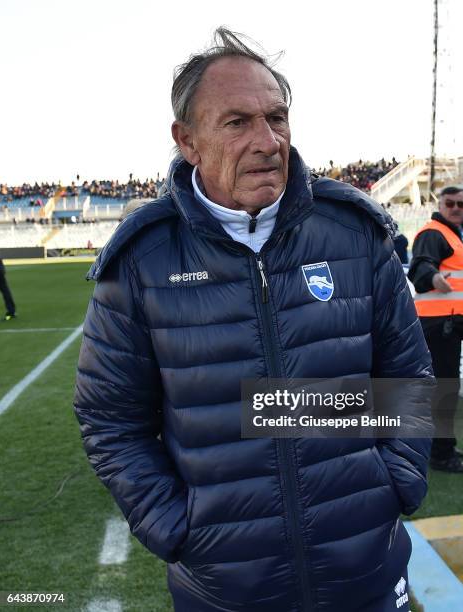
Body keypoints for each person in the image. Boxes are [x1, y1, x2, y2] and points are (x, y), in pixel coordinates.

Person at [74, 28, 432, 612]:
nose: (268, 141)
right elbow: (109, 417)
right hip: (225, 589)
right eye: (237, 122)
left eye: (277, 117)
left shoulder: (355, 233)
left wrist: (398, 481)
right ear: (186, 140)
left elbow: (409, 373)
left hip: (365, 569)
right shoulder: (143, 261)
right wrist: (176, 527)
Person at [409, 186, 463, 473]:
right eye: (450, 203)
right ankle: (441, 455)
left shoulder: (455, 236)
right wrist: (432, 276)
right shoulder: (435, 233)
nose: (456, 208)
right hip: (439, 325)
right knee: (445, 390)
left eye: (460, 204)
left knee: (444, 389)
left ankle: (443, 446)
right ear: (440, 206)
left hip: (447, 325)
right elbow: (419, 268)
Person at [0, 256, 16, 321]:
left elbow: (2, 270)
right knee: (6, 293)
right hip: (1, 276)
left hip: (0, 277)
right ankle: (12, 312)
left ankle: (11, 312)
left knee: (6, 294)